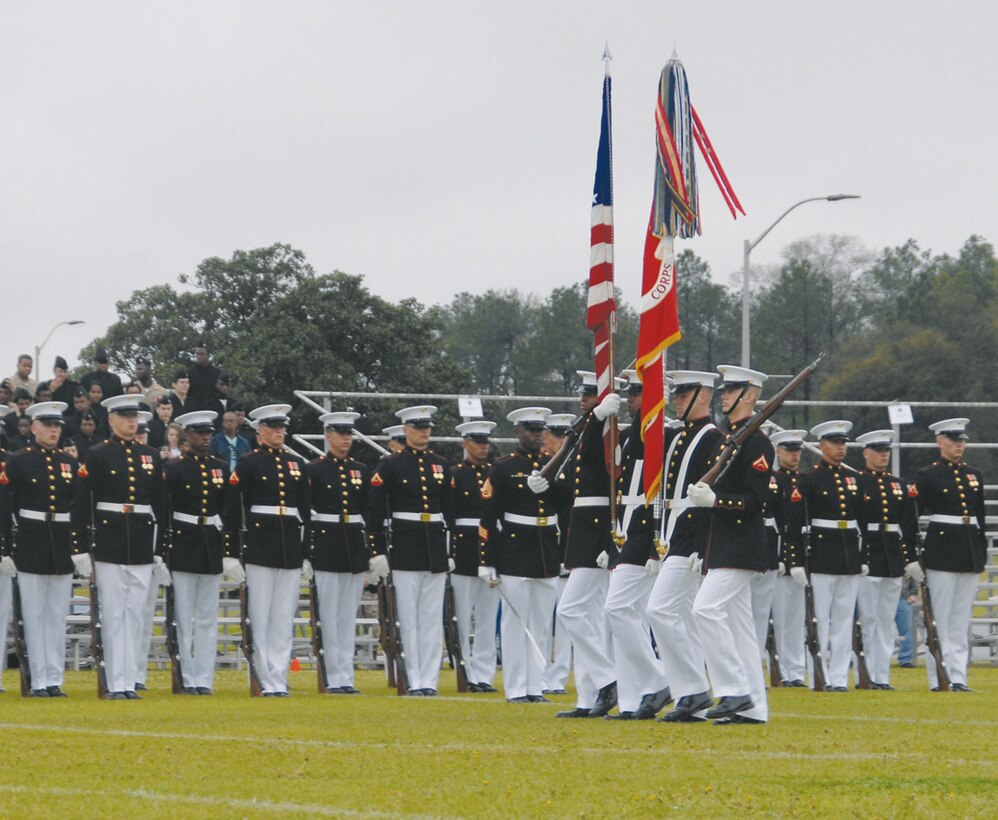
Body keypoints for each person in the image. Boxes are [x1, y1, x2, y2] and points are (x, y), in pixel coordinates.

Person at [685, 365, 774, 725]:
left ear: (749, 396)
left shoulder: (756, 442)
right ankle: (754, 709)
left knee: (704, 609)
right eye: (724, 389)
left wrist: (716, 501)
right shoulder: (729, 438)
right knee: (740, 629)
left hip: (742, 544)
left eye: (733, 389)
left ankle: (734, 688)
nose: (723, 395)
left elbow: (756, 502)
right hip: (720, 543)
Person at [69, 394, 167, 700]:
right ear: (111, 420)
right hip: (110, 541)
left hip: (139, 541)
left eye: (134, 417)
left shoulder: (150, 455)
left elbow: (161, 505)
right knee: (113, 615)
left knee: (135, 615)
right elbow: (81, 503)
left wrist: (160, 549)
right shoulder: (98, 454)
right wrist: (80, 547)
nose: (131, 421)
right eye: (125, 417)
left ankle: (129, 680)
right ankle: (115, 681)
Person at [647, 371, 723, 723]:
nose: (675, 401)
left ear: (703, 397)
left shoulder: (712, 438)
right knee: (679, 616)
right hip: (672, 535)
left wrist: (700, 546)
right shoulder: (679, 438)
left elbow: (707, 497)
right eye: (676, 395)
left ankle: (693, 689)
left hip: (691, 538)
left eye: (683, 395)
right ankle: (690, 692)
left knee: (659, 609)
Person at [222, 403, 310, 697]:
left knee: (284, 617)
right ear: (260, 431)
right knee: (261, 616)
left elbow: (305, 511)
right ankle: (262, 676)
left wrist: (307, 552)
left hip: (289, 546)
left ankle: (279, 676)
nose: (279, 432)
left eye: (282, 428)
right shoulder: (248, 462)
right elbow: (233, 508)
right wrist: (231, 552)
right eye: (273, 428)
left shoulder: (296, 464)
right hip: (260, 544)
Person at [548, 371, 622, 719]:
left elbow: (611, 483)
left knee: (571, 609)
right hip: (582, 529)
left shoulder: (604, 430)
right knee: (586, 615)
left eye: (590, 395)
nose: (583, 399)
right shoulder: (586, 426)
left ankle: (608, 679)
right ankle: (589, 696)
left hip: (596, 532)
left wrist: (599, 418)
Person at [365, 406, 454, 696]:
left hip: (434, 548)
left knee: (431, 620)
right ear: (406, 430)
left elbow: (449, 513)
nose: (424, 431)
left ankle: (429, 679)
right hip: (405, 547)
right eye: (418, 427)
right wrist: (377, 551)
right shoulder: (390, 465)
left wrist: (449, 550)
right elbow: (375, 512)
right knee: (410, 619)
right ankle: (413, 678)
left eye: (427, 426)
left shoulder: (441, 464)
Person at [479, 407, 565, 704]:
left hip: (546, 550)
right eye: (531, 430)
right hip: (514, 551)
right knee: (516, 625)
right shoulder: (503, 467)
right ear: (518, 432)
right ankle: (516, 687)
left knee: (541, 624)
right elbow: (489, 517)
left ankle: (536, 685)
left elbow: (563, 508)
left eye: (540, 430)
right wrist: (486, 560)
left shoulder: (553, 464)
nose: (537, 434)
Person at [604, 370, 671, 720]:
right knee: (624, 615)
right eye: (630, 394)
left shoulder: (663, 432)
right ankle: (633, 699)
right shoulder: (631, 435)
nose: (631, 400)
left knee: (618, 609)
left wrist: (651, 547)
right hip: (627, 529)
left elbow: (662, 491)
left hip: (646, 532)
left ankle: (659, 679)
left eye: (638, 394)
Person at [901, 418, 985, 692]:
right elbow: (909, 518)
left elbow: (979, 519)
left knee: (960, 619)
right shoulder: (927, 475)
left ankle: (958, 676)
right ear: (940, 442)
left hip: (968, 551)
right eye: (953, 440)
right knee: (940, 618)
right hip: (941, 551)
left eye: (961, 440)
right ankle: (940, 677)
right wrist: (911, 557)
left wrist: (980, 555)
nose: (959, 445)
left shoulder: (974, 475)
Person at [0, 402, 78, 696]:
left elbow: (75, 507)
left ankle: (54, 678)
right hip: (31, 542)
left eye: (57, 425)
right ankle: (37, 680)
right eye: (47, 425)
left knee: (57, 615)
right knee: (33, 616)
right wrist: (5, 549)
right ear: (33, 428)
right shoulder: (18, 461)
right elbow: (6, 508)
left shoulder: (69, 463)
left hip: (60, 543)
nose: (53, 430)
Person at [785, 420, 866, 693]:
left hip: (848, 555)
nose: (841, 448)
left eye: (843, 443)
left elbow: (862, 523)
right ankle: (817, 672)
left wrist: (862, 557)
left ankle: (840, 676)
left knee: (845, 619)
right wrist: (795, 560)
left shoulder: (854, 478)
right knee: (818, 619)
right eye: (835, 443)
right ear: (822, 446)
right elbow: (794, 524)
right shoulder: (808, 479)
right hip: (820, 554)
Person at [163, 410, 238, 695]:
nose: (205, 438)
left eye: (208, 433)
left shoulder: (220, 467)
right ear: (187, 437)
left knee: (208, 617)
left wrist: (229, 551)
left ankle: (204, 677)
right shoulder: (175, 469)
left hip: (210, 544)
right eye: (199, 434)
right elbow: (166, 509)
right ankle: (186, 675)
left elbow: (229, 511)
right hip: (183, 543)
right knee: (183, 617)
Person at [305, 411, 372, 694]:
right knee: (329, 617)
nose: (346, 439)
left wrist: (371, 553)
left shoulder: (362, 469)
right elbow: (306, 513)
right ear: (328, 436)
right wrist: (307, 553)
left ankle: (347, 676)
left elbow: (369, 513)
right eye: (341, 434)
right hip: (327, 546)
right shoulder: (315, 469)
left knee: (347, 617)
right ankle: (333, 676)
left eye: (349, 434)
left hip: (353, 547)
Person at [855, 430, 917, 690]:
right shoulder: (857, 482)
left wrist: (910, 558)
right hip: (870, 556)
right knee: (868, 619)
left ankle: (882, 675)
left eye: (886, 451)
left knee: (885, 619)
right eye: (878, 451)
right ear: (866, 453)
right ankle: (868, 674)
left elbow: (909, 524)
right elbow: (856, 524)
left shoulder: (899, 484)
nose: (883, 455)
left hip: (892, 557)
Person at [449, 419, 499, 693]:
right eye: (478, 443)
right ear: (466, 444)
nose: (483, 448)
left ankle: (484, 674)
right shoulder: (455, 474)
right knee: (462, 615)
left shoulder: (495, 473)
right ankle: (465, 671)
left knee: (487, 618)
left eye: (485, 443)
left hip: (489, 552)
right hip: (464, 551)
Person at [768, 429, 808, 687]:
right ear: (778, 452)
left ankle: (796, 670)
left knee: (797, 619)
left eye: (797, 451)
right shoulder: (773, 480)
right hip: (780, 557)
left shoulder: (805, 481)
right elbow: (775, 523)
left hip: (802, 559)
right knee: (780, 619)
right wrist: (783, 557)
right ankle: (782, 668)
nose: (794, 456)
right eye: (789, 451)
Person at [539, 412, 575, 696]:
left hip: (567, 555)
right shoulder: (541, 470)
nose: (561, 441)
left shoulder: (574, 468)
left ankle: (558, 677)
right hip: (541, 556)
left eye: (565, 436)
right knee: (541, 622)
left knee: (564, 623)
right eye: (556, 436)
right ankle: (538, 675)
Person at [187, 345, 222, 411]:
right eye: (197, 354)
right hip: (193, 409)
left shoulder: (217, 373)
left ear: (208, 356)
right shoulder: (189, 373)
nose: (199, 357)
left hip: (213, 408)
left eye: (202, 354)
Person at [895, 574, 918, 668]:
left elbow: (914, 582)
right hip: (883, 598)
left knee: (907, 631)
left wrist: (912, 594)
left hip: (903, 599)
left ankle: (905, 659)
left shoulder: (907, 566)